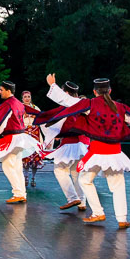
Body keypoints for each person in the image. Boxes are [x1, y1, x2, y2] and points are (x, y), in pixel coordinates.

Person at [43, 77, 130, 229]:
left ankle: (98, 212)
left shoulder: (90, 104)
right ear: (110, 91)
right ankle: (122, 218)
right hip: (115, 153)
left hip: (98, 152)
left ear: (94, 92)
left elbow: (68, 101)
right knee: (118, 185)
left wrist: (52, 85)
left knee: (84, 180)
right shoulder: (120, 107)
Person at [0, 81, 45, 204]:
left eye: (1, 90)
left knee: (7, 165)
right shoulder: (18, 103)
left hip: (12, 138)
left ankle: (18, 193)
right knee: (17, 166)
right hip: (21, 137)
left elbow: (1, 124)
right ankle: (22, 193)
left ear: (8, 90)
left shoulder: (7, 105)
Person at [39, 76, 88, 211]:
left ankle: (72, 198)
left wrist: (52, 85)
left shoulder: (69, 106)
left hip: (70, 144)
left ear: (66, 93)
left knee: (60, 169)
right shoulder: (83, 105)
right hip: (82, 145)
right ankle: (82, 201)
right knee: (76, 172)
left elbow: (62, 123)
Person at [21, 90, 46, 187]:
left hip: (35, 134)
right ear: (22, 98)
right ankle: (26, 177)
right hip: (25, 133)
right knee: (25, 157)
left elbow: (41, 120)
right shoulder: (20, 108)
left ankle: (33, 178)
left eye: (28, 96)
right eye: (25, 97)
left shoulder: (35, 108)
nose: (27, 98)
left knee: (35, 158)